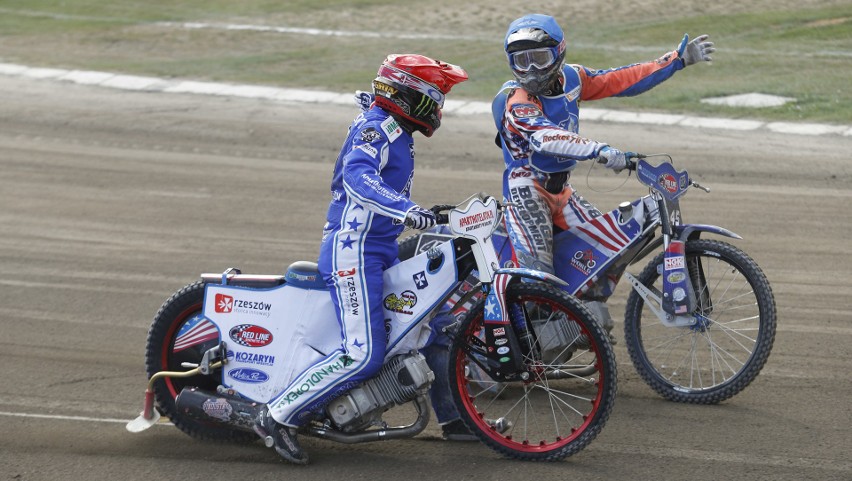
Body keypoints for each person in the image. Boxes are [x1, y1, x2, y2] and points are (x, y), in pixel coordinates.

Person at [251, 54, 468, 464]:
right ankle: (276, 416)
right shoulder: (376, 128)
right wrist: (404, 209)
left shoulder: (396, 128)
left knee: (435, 324)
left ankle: (455, 420)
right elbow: (357, 177)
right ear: (407, 95)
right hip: (353, 251)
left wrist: (419, 212)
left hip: (379, 249)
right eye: (434, 97)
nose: (438, 107)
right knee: (363, 353)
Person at [492, 14, 714, 330]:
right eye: (521, 61)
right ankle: (523, 340)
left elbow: (620, 79)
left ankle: (574, 325)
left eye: (539, 59)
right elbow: (546, 136)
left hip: (560, 191)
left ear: (558, 53)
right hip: (526, 191)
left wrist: (675, 61)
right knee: (537, 279)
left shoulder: (573, 78)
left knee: (601, 255)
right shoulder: (517, 101)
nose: (530, 70)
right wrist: (599, 150)